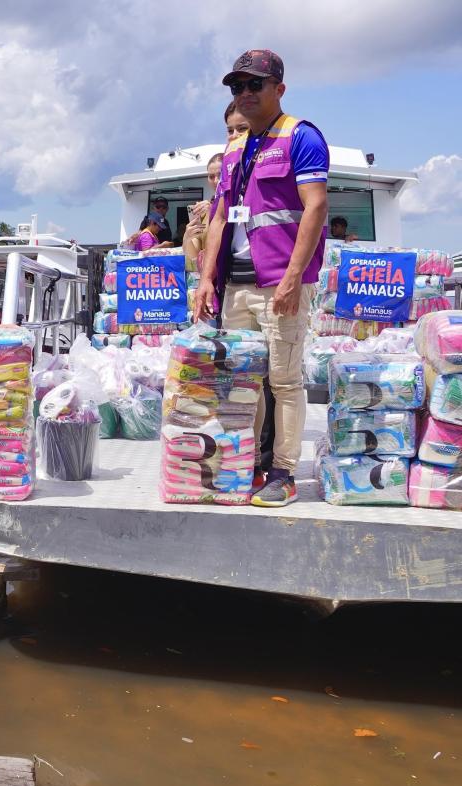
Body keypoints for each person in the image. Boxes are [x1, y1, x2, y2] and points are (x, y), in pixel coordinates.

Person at [195, 49, 329, 508]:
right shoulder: (235, 148)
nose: (245, 94)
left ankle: (284, 473)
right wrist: (206, 278)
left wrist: (293, 279)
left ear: (278, 89)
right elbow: (218, 219)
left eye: (254, 85)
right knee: (243, 382)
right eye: (237, 87)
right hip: (236, 286)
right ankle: (247, 464)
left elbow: (315, 208)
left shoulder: (301, 137)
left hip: (279, 284)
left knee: (284, 382)